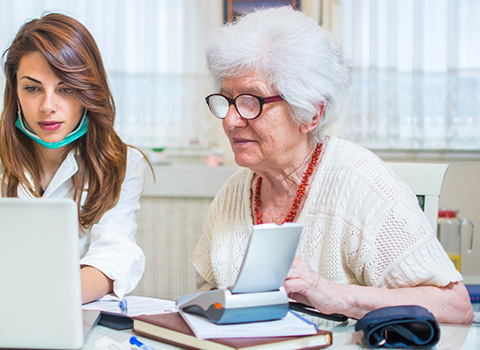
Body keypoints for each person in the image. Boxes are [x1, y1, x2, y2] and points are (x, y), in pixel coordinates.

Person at [191, 7, 473, 325]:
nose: (230, 120)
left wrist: (335, 296)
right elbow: (208, 299)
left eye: (250, 101)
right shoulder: (233, 194)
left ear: (310, 113)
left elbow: (455, 307)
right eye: (227, 99)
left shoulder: (362, 185)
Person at [0, 13, 148, 304]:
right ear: (14, 91)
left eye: (66, 88)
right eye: (32, 88)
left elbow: (113, 258)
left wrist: (42, 300)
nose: (48, 106)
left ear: (88, 91)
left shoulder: (123, 163)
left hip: (69, 312)